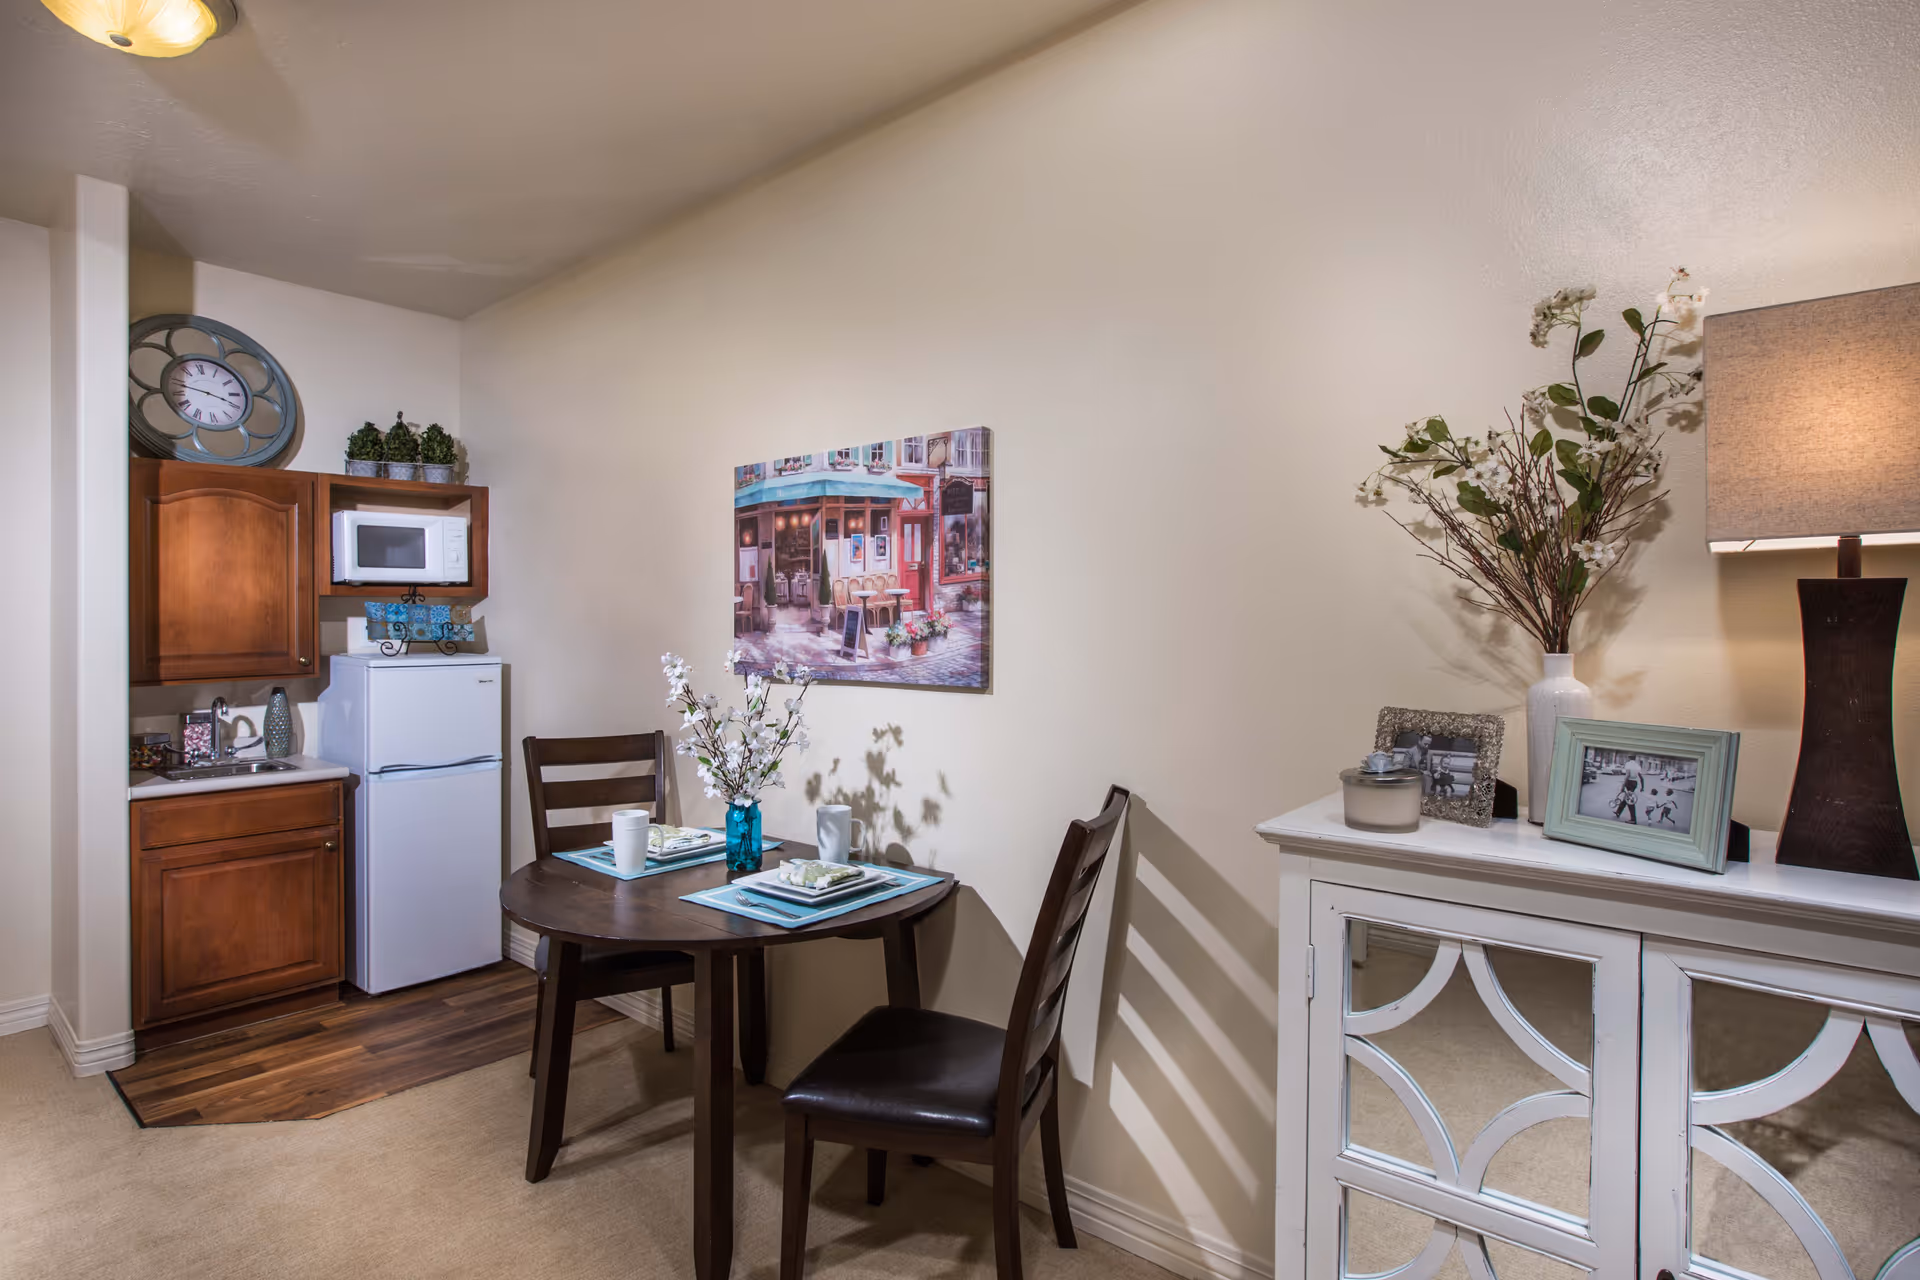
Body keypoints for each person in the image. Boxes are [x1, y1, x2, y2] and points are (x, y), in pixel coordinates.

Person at [1612, 757, 1644, 823]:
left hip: (1629, 782)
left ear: (1629, 758)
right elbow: (1641, 777)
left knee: (1629, 801)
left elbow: (1627, 775)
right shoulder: (1637, 765)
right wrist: (1642, 787)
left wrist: (1623, 786)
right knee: (1626, 798)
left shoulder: (1628, 764)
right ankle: (1618, 812)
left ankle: (1633, 819)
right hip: (1634, 783)